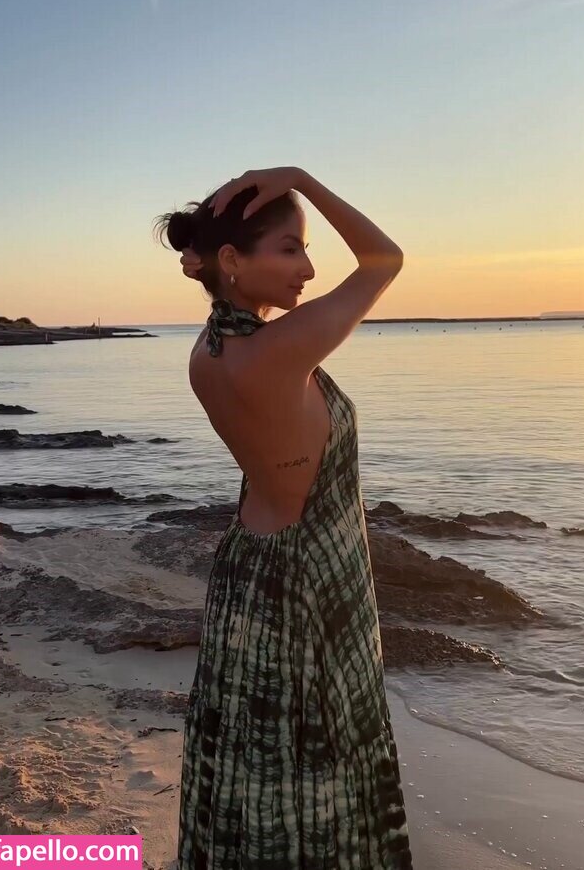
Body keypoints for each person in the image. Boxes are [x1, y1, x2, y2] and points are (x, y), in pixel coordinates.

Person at [153, 166, 413, 869]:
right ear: (232, 261)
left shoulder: (209, 352)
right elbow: (384, 259)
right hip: (307, 581)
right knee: (318, 768)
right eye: (291, 248)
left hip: (250, 570)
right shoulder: (277, 352)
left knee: (254, 769)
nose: (309, 267)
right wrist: (301, 179)